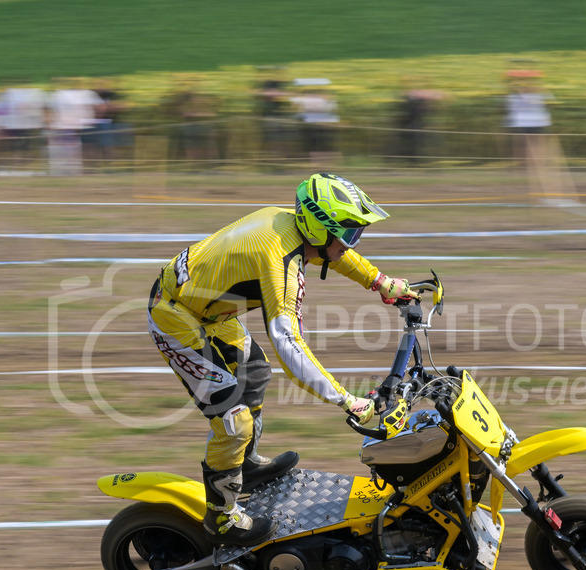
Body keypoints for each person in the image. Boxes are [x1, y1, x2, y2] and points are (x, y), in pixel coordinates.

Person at [147, 173, 416, 546]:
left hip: (202, 310)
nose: (353, 241)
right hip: (175, 317)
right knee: (233, 421)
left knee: (255, 373)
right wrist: (346, 399)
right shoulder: (280, 264)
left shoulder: (292, 226)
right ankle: (222, 519)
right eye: (349, 233)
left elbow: (335, 253)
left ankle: (244, 465)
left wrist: (380, 281)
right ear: (319, 230)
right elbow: (288, 344)